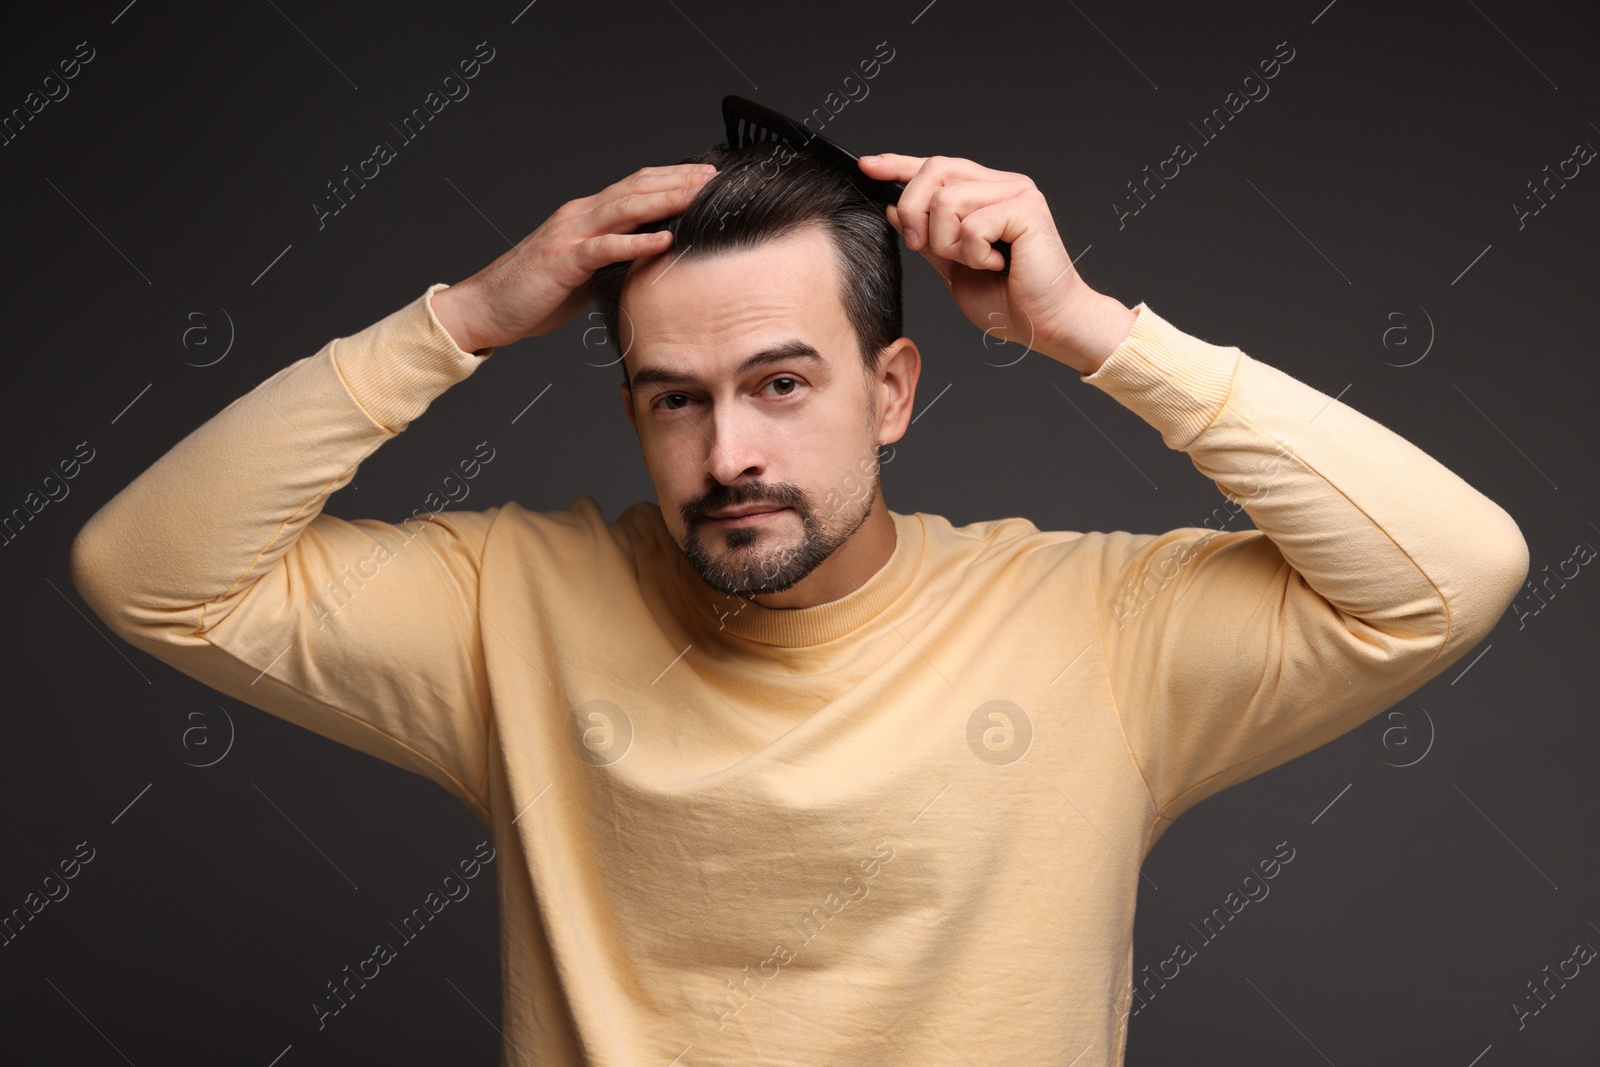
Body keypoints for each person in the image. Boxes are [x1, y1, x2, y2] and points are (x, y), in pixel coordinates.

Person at [70, 140, 1529, 1066]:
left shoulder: (1095, 630)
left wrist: (1088, 331)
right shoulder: (508, 604)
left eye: (781, 383)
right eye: (674, 401)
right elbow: (147, 573)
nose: (730, 456)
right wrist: (460, 321)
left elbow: (1451, 573)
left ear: (892, 392)